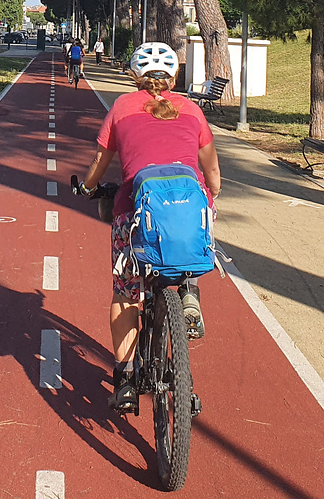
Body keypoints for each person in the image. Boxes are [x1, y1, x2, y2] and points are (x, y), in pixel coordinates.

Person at [79, 41, 220, 413]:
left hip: (135, 212)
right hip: (191, 208)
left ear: (134, 75)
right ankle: (188, 289)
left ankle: (125, 380)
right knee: (191, 240)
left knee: (126, 293)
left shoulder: (123, 107)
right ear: (174, 76)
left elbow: (99, 161)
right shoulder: (192, 110)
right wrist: (212, 194)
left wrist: (89, 187)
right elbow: (213, 174)